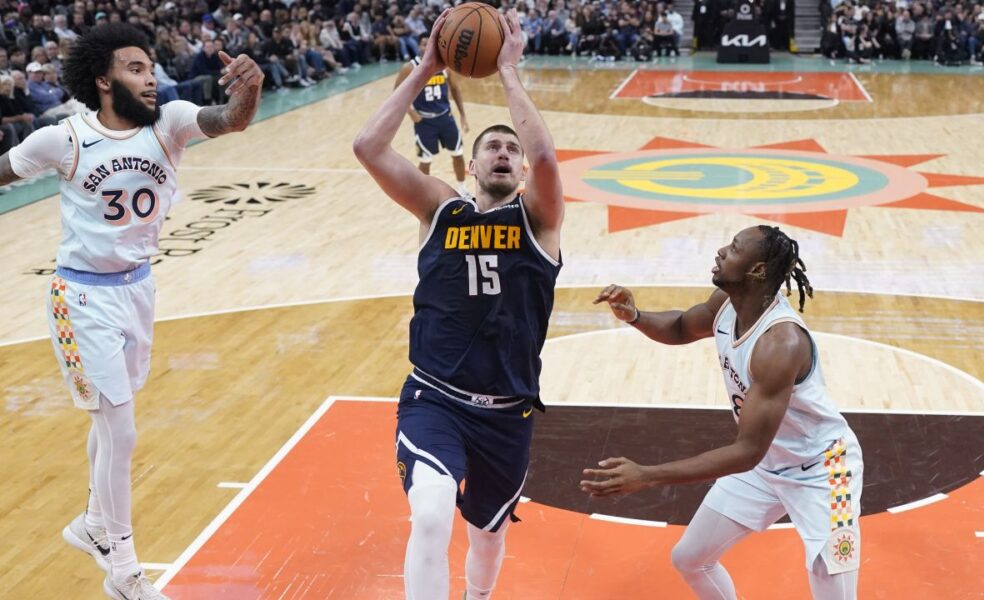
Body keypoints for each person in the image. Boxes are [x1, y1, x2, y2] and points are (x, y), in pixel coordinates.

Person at [0, 23, 263, 600]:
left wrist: (248, 88)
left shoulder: (169, 124)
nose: (151, 79)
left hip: (138, 291)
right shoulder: (62, 140)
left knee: (108, 421)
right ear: (102, 80)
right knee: (120, 429)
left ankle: (93, 522)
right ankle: (123, 572)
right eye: (136, 69)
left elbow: (231, 119)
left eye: (151, 68)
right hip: (80, 298)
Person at [354, 9, 563, 600]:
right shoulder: (438, 209)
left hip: (508, 411)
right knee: (429, 515)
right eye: (490, 147)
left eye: (510, 149)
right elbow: (368, 146)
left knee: (488, 535)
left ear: (520, 170)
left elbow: (549, 162)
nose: (502, 152)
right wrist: (425, 67)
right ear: (470, 166)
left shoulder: (539, 220)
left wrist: (509, 72)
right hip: (435, 398)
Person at [583, 225, 863, 600]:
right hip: (768, 464)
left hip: (824, 471)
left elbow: (747, 451)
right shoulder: (727, 303)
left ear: (758, 271)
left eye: (733, 248)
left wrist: (647, 475)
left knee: (831, 582)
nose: (720, 251)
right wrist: (634, 315)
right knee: (690, 558)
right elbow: (682, 326)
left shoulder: (780, 344)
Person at [393, 36, 470, 195]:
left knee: (458, 154)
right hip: (424, 121)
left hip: (445, 118)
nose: (426, 46)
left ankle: (462, 189)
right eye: (422, 43)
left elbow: (455, 89)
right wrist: (410, 112)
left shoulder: (444, 67)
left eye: (429, 43)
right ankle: (423, 193)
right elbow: (396, 92)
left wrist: (463, 115)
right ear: (418, 46)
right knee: (425, 161)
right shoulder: (410, 67)